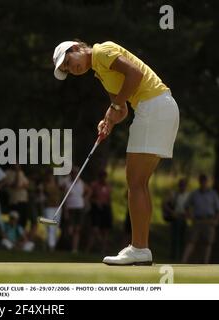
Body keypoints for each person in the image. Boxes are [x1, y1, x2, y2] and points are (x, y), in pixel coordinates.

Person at [53, 40, 179, 265]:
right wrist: (109, 121)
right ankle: (142, 248)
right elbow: (121, 108)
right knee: (140, 183)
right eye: (67, 70)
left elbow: (135, 74)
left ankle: (139, 248)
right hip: (158, 107)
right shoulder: (100, 73)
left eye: (69, 62)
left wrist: (114, 107)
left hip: (153, 107)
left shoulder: (102, 51)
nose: (72, 69)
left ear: (76, 48)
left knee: (135, 182)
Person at [182, 174, 219, 264]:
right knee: (191, 241)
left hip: (209, 220)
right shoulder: (195, 194)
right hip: (198, 220)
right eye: (202, 181)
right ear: (199, 182)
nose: (203, 183)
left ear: (207, 182)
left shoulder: (213, 194)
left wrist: (216, 220)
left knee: (208, 243)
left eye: (205, 181)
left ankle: (205, 262)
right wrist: (190, 216)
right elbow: (186, 206)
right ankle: (183, 261)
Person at [60, 165, 91, 254]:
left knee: (77, 230)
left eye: (75, 173)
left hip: (79, 207)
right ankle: (68, 247)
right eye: (72, 173)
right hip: (70, 208)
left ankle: (74, 249)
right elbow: (62, 194)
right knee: (69, 229)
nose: (74, 174)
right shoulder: (67, 183)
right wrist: (65, 210)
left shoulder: (81, 183)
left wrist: (85, 199)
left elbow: (89, 190)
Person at [162, 178, 189, 261]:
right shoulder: (174, 194)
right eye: (181, 185)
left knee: (182, 239)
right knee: (174, 239)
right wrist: (172, 212)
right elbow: (165, 204)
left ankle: (180, 257)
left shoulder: (188, 195)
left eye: (183, 185)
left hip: (183, 218)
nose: (182, 187)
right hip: (175, 218)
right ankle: (173, 257)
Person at [86, 170, 113, 255]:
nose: (103, 178)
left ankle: (103, 250)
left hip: (106, 209)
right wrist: (96, 202)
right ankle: (91, 248)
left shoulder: (108, 186)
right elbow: (89, 197)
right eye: (101, 176)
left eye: (104, 176)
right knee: (95, 230)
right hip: (96, 209)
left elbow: (109, 199)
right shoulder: (94, 185)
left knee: (105, 230)